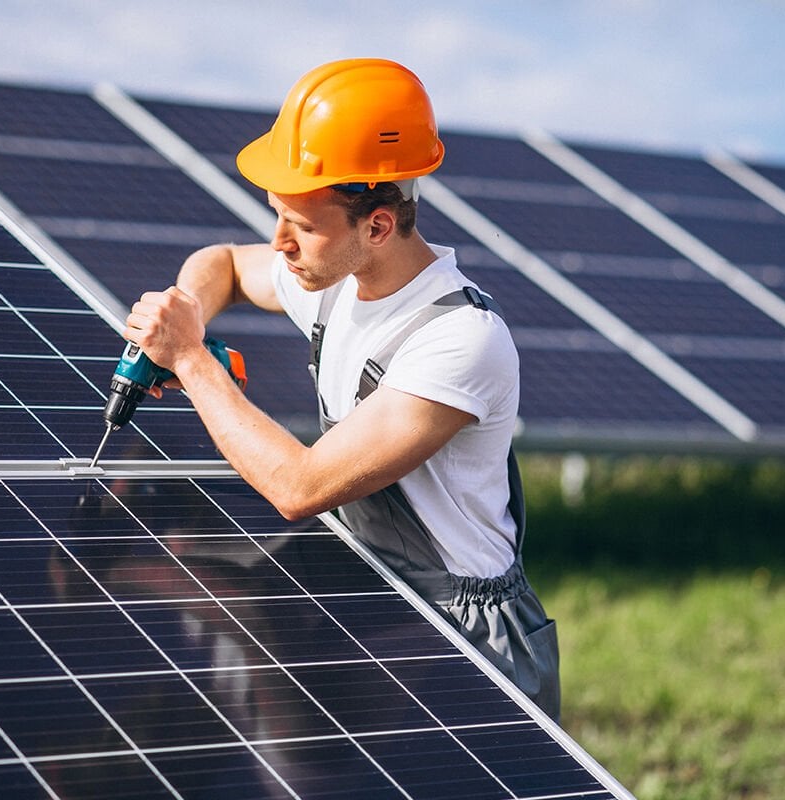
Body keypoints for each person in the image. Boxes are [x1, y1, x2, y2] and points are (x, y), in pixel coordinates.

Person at [121, 57, 560, 719]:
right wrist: (188, 310)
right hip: (370, 583)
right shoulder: (334, 280)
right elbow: (221, 264)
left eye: (299, 225)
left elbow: (300, 487)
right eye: (275, 216)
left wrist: (191, 359)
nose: (280, 245)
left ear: (377, 226)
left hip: (461, 630)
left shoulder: (458, 339)